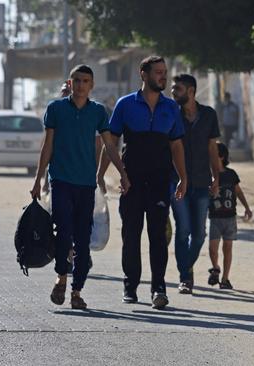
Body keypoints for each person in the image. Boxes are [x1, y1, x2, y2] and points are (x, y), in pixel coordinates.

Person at [30, 64, 130, 310]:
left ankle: (77, 291)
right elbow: (47, 147)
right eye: (77, 80)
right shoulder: (55, 109)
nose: (81, 85)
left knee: (83, 241)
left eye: (86, 81)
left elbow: (110, 146)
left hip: (86, 184)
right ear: (70, 82)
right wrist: (38, 179)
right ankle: (61, 278)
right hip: (61, 181)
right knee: (64, 232)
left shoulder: (97, 112)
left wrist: (123, 174)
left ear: (91, 85)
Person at [97, 56, 187, 309]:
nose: (163, 77)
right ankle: (130, 285)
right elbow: (110, 142)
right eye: (158, 72)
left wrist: (183, 177)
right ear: (143, 74)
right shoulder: (126, 105)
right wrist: (100, 175)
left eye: (165, 72)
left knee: (158, 235)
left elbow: (177, 145)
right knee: (131, 234)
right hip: (131, 181)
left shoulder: (171, 108)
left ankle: (158, 287)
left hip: (160, 180)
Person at [170, 73, 222, 295]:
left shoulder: (209, 115)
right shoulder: (172, 114)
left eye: (177, 89)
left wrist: (217, 176)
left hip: (202, 182)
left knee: (199, 234)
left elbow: (212, 148)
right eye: (173, 89)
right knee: (183, 230)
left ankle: (185, 267)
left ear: (191, 91)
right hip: (177, 182)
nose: (173, 93)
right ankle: (185, 277)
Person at [206, 142, 253, 290]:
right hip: (214, 217)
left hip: (230, 218)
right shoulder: (208, 176)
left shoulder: (231, 174)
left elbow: (238, 192)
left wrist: (247, 208)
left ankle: (225, 279)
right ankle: (215, 267)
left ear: (221, 156)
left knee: (227, 248)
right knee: (212, 248)